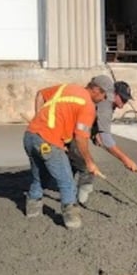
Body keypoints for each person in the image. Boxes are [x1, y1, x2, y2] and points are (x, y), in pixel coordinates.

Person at [24, 82, 102, 229]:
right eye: (104, 96)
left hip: (30, 136)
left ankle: (32, 208)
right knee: (66, 181)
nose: (103, 100)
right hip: (48, 142)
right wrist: (89, 162)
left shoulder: (67, 88)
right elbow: (80, 138)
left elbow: (40, 94)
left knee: (40, 175)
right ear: (96, 90)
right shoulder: (88, 105)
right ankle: (72, 218)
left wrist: (39, 118)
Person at [66, 75, 137, 205]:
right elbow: (106, 139)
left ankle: (68, 192)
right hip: (70, 130)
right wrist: (125, 159)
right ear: (114, 93)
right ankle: (75, 197)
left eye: (126, 100)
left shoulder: (107, 104)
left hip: (74, 129)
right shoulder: (107, 103)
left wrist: (95, 133)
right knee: (86, 163)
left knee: (73, 161)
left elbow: (94, 118)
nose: (123, 103)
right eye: (122, 98)